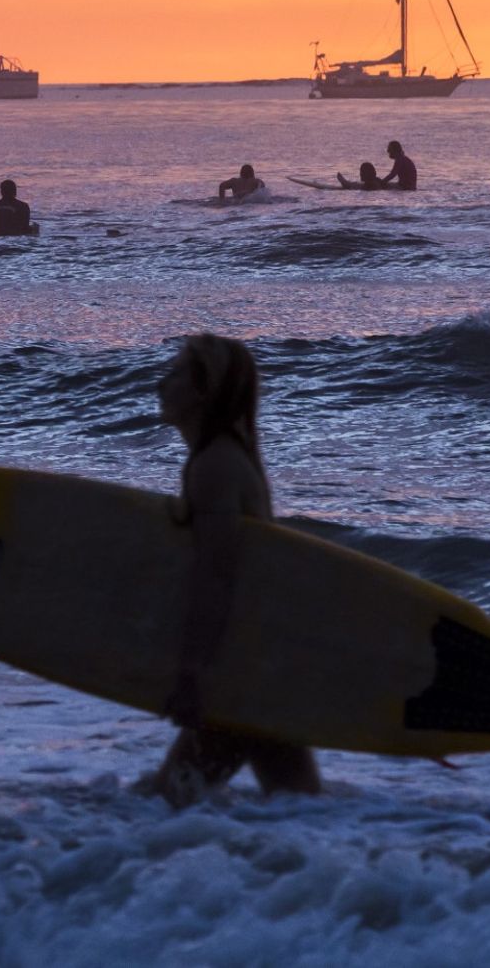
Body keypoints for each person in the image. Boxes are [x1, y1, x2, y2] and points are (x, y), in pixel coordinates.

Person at [149, 334, 322, 807]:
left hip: (241, 672)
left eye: (175, 373)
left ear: (203, 390)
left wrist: (191, 672)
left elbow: (218, 576)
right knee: (300, 805)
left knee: (166, 803)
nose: (161, 384)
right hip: (262, 667)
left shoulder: (216, 467)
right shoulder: (226, 458)